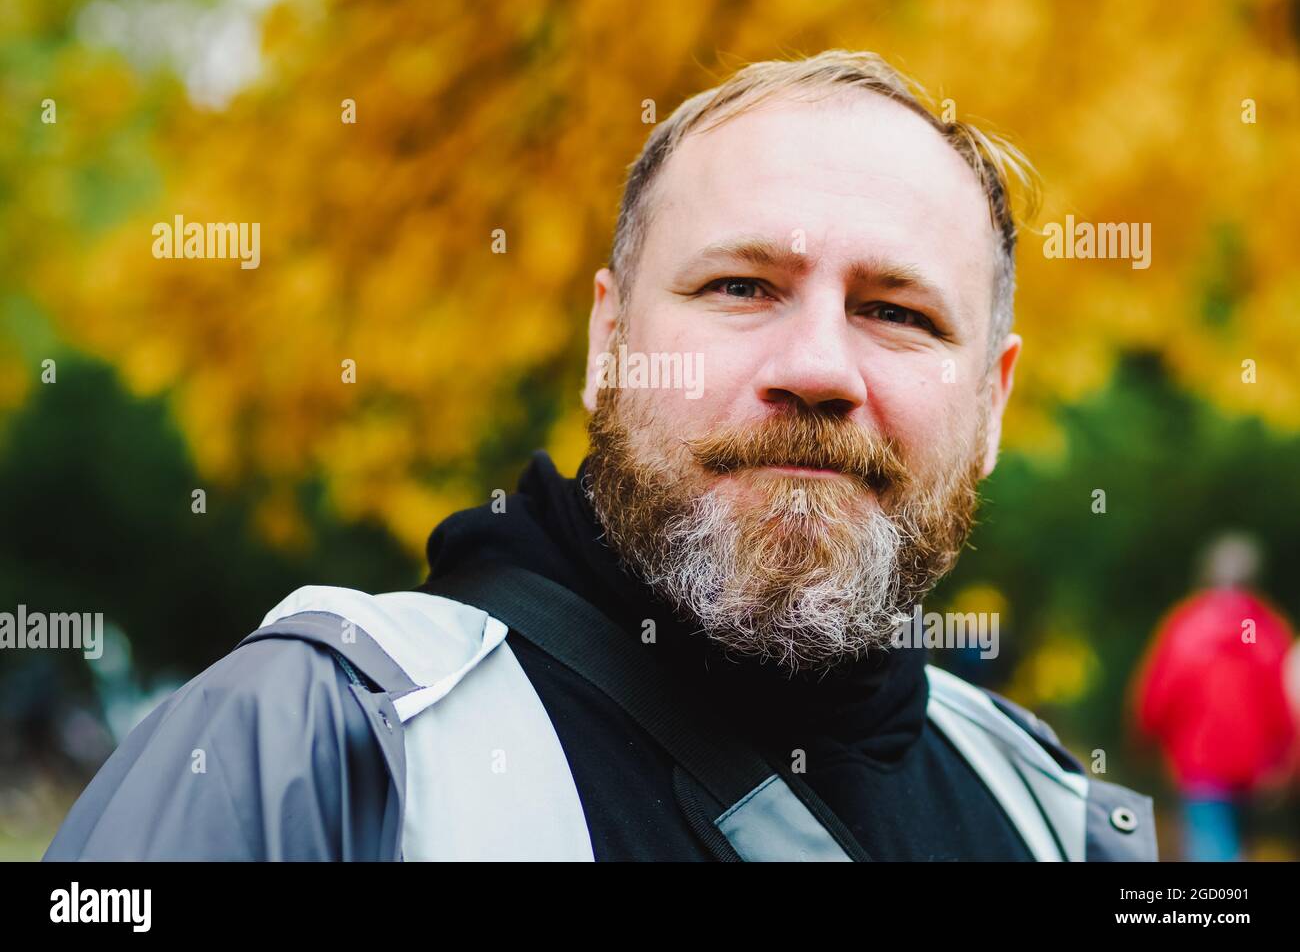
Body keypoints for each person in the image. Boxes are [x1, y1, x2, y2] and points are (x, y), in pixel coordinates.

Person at [44, 49, 1156, 862]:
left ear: (994, 401)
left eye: (899, 312)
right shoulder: (318, 750)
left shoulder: (1048, 815)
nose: (817, 365)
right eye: (740, 286)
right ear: (607, 343)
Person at [1131, 532, 1297, 861]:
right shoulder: (1267, 629)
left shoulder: (1186, 626)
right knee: (1242, 847)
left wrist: (1145, 743)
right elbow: (1283, 702)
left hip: (1200, 765)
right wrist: (1282, 759)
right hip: (1255, 770)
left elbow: (1157, 698)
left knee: (1210, 850)